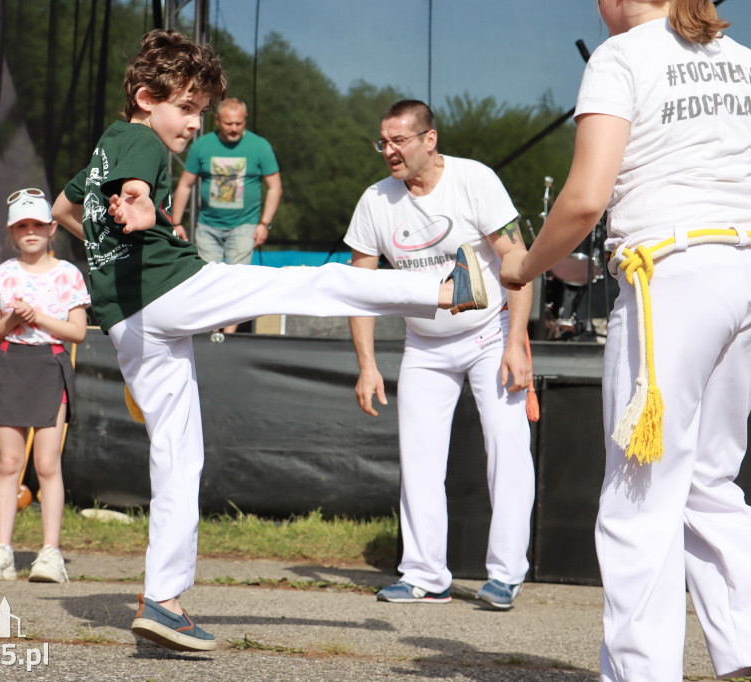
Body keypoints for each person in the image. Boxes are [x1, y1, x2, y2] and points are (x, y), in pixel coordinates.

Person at [50, 29, 490, 653]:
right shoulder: (139, 140)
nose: (195, 124)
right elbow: (135, 186)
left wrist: (115, 239)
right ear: (146, 98)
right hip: (170, 294)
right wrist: (143, 208)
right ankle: (443, 290)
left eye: (203, 110)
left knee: (178, 455)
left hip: (126, 321)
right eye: (188, 108)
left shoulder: (105, 145)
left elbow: (67, 210)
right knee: (311, 284)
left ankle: (163, 602)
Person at [500, 1, 751, 680]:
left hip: (671, 270)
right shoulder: (745, 59)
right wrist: (739, 254)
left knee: (640, 490)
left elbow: (586, 198)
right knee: (709, 474)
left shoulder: (621, 57)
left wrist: (524, 267)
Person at [344, 99, 535, 609]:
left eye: (398, 141)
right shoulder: (375, 202)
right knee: (420, 460)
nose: (388, 151)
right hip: (424, 346)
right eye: (382, 142)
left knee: (507, 448)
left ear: (429, 140)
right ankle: (425, 574)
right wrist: (367, 365)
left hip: (489, 334)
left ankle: (506, 574)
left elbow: (517, 261)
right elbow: (357, 287)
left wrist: (516, 342)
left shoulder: (475, 180)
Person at [0, 189, 90, 584]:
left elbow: (77, 332)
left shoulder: (68, 274)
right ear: (11, 232)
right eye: (22, 225)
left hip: (49, 365)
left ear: (53, 228)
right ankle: (2, 551)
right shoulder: (2, 274)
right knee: (8, 463)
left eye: (38, 224)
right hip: (10, 364)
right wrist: (12, 321)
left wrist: (37, 318)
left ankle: (50, 554)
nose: (31, 231)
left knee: (46, 463)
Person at [170, 96, 281, 334]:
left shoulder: (259, 146)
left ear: (245, 120)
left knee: (236, 283)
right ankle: (212, 333)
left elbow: (275, 187)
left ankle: (228, 337)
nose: (234, 129)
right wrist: (176, 221)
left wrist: (264, 224)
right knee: (208, 282)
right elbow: (186, 184)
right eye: (229, 123)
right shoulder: (202, 145)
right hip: (208, 226)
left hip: (244, 225)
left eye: (239, 124)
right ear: (217, 119)